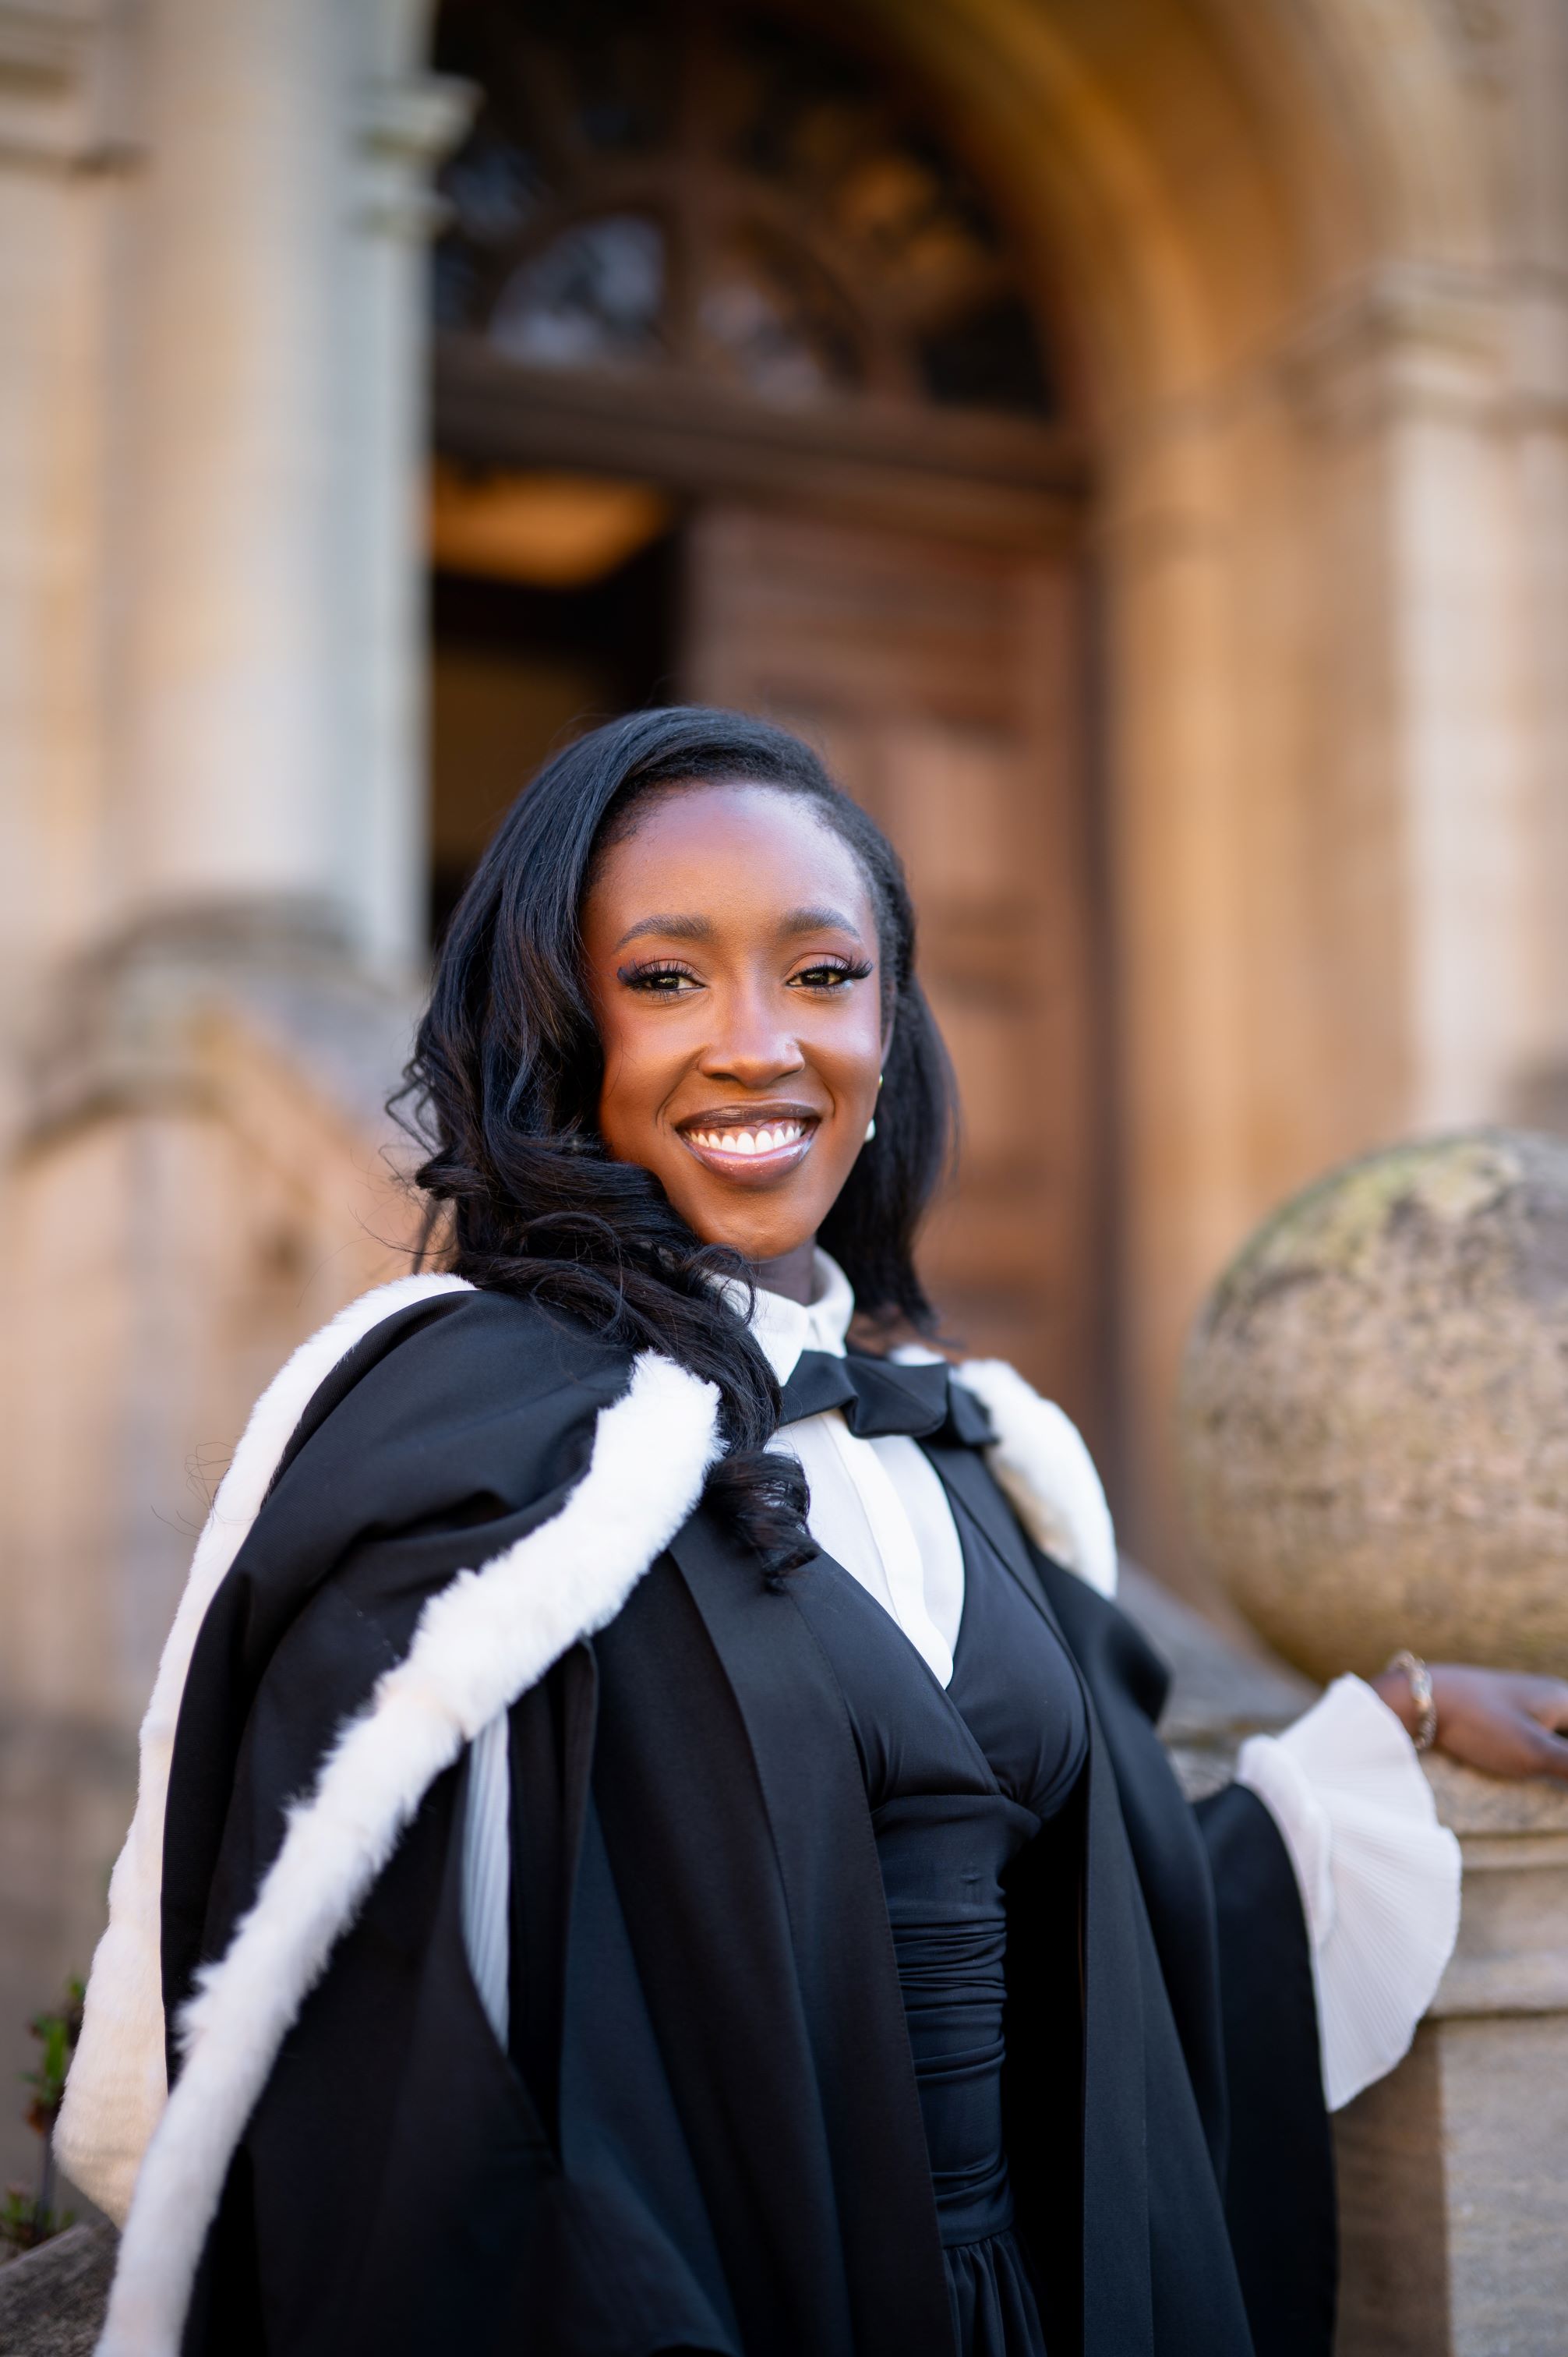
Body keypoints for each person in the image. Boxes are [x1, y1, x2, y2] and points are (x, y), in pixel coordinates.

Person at [60, 709, 1568, 2357]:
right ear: (556, 1028)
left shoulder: (956, 1450)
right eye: (664, 979)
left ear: (888, 1026)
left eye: (823, 974)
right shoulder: (465, 1448)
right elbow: (401, 2081)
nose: (758, 1043)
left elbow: (1106, 1931)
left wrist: (1397, 1723)